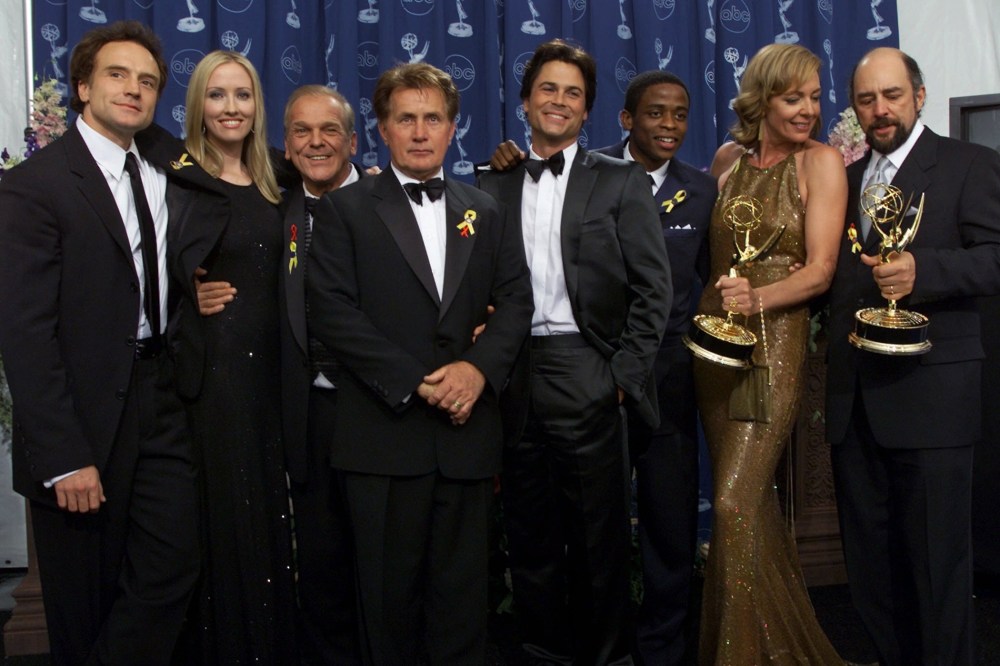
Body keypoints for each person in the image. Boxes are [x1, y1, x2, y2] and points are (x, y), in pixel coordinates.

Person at [305, 62, 533, 664]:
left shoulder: (485, 208)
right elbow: (331, 312)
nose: (421, 130)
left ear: (454, 128)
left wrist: (477, 371)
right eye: (406, 118)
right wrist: (418, 383)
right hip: (383, 437)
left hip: (466, 436)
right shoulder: (343, 210)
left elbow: (515, 301)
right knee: (386, 608)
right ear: (382, 129)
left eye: (433, 118)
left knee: (462, 607)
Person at [488, 68, 715, 665]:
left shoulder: (619, 180)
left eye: (572, 94)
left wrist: (622, 377)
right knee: (531, 541)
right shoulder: (494, 181)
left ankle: (610, 660)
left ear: (588, 111)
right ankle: (543, 655)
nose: (558, 102)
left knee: (599, 544)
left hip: (587, 368)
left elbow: (654, 287)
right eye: (547, 90)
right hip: (514, 376)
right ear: (524, 101)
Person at [0, 21, 201, 664]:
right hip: (79, 417)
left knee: (173, 564)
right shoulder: (34, 185)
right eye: (117, 75)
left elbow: (240, 165)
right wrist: (62, 456)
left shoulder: (169, 164)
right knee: (82, 598)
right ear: (83, 86)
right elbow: (25, 334)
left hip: (161, 398)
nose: (134, 90)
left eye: (147, 81)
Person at [826, 47, 1000, 666]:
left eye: (891, 95)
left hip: (932, 399)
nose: (879, 110)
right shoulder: (840, 182)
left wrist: (924, 271)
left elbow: (995, 257)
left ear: (919, 96)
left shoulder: (968, 165)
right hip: (855, 405)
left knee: (938, 568)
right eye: (866, 99)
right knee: (871, 574)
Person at [692, 43, 846, 664]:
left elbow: (821, 272)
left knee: (731, 501)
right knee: (749, 506)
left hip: (775, 344)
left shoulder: (822, 162)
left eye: (814, 96)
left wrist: (757, 299)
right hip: (714, 344)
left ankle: (744, 655)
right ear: (761, 98)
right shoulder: (728, 158)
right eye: (793, 98)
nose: (808, 109)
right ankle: (761, 647)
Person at [170, 50, 296, 664]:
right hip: (215, 373)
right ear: (198, 103)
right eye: (217, 95)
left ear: (257, 105)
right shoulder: (175, 174)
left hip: (278, 369)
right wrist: (179, 291)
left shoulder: (280, 172)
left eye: (242, 95)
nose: (230, 108)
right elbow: (135, 262)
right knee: (224, 515)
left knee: (272, 511)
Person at [279, 85, 366, 665]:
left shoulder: (393, 202)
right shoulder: (274, 215)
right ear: (285, 147)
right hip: (306, 414)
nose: (316, 143)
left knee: (385, 566)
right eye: (302, 132)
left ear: (353, 141)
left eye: (329, 130)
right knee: (321, 564)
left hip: (381, 410)